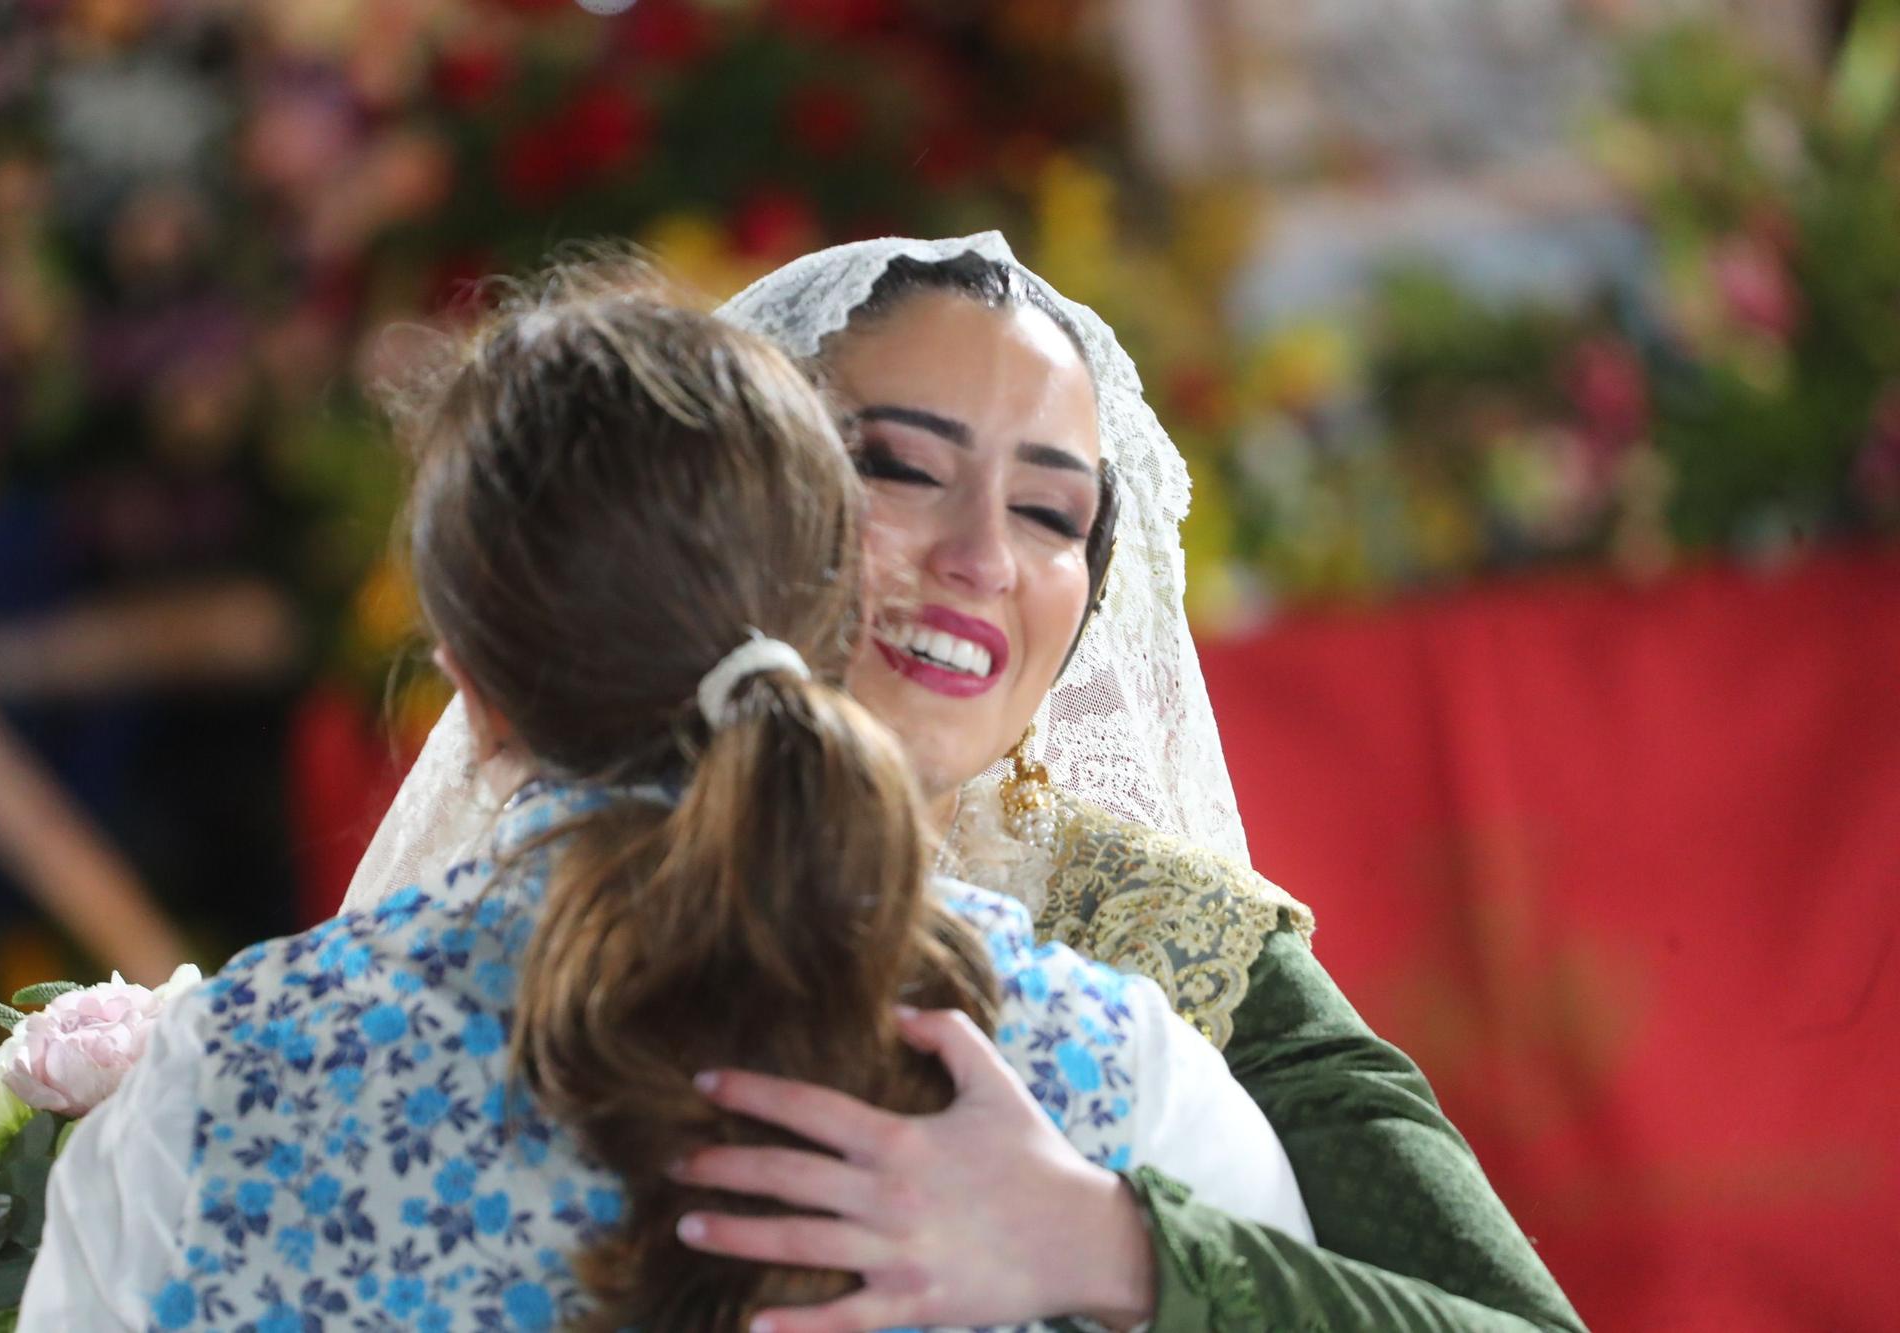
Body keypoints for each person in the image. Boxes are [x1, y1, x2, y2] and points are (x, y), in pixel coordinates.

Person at [19, 272, 1312, 1331]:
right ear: (828, 611)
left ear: (469, 684)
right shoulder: (1102, 1067)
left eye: (1045, 507)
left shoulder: (221, 1081)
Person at [347, 234, 1588, 1332]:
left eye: (1052, 513)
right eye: (898, 466)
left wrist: (1117, 1250)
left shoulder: (1167, 948)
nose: (983, 556)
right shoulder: (479, 929)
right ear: (745, 506)